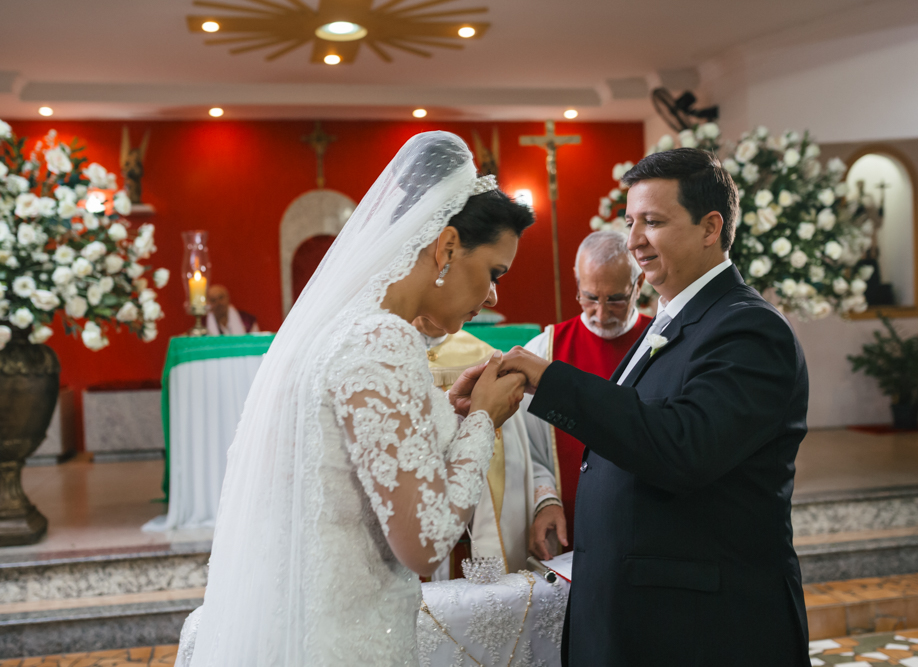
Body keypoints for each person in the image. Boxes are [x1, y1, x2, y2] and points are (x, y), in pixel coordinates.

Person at [175, 132, 533, 666]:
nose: (494, 295)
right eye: (494, 273)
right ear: (447, 247)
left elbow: (343, 465)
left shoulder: (339, 329)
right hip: (344, 637)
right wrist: (484, 420)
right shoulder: (381, 339)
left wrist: (451, 414)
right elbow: (426, 542)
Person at [502, 148, 811, 666]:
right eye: (631, 222)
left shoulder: (749, 329)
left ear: (710, 227)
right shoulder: (675, 318)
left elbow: (682, 446)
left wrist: (550, 380)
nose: (634, 241)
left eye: (653, 222)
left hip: (701, 627)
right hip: (638, 612)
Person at [520, 231, 652, 559]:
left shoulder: (661, 342)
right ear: (577, 284)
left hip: (647, 527)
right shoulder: (543, 351)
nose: (601, 314)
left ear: (638, 284)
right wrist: (545, 501)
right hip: (568, 528)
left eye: (616, 299)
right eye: (590, 297)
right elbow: (527, 448)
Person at [413, 316, 534, 576]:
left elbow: (513, 454)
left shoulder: (483, 356)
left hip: (470, 524)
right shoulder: (380, 358)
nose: (490, 299)